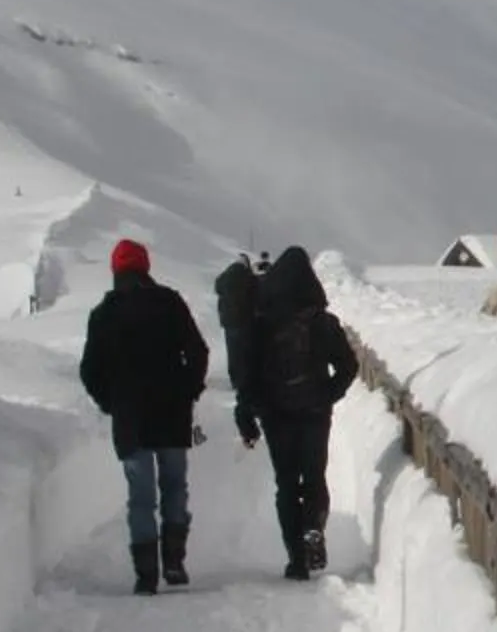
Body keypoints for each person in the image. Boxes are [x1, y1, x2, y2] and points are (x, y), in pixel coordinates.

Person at [79, 238, 210, 595]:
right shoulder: (170, 302)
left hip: (130, 419)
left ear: (115, 270)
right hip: (172, 412)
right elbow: (198, 351)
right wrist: (189, 389)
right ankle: (174, 561)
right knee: (174, 487)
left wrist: (111, 402)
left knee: (141, 497)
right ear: (146, 267)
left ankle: (146, 574)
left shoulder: (104, 313)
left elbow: (90, 370)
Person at [223, 246, 361, 580]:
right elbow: (348, 365)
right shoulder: (322, 321)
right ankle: (313, 527)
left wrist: (248, 411)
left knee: (286, 483)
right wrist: (328, 394)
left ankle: (296, 559)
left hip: (275, 413)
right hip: (315, 411)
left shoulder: (261, 324)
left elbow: (247, 372)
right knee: (314, 476)